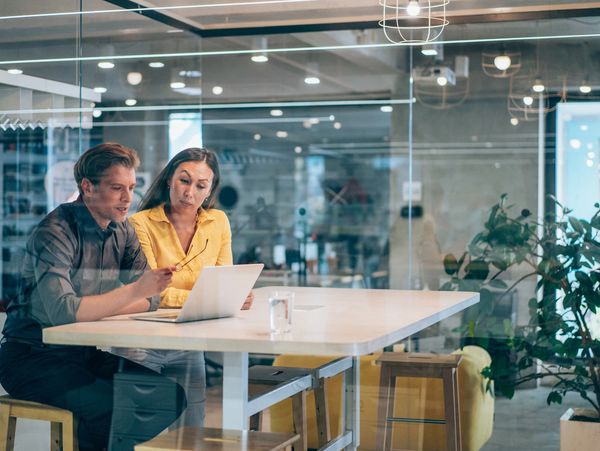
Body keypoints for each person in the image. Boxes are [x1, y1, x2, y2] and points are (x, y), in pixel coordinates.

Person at [0, 143, 186, 451]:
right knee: (113, 411)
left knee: (170, 397)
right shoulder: (55, 232)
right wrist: (133, 292)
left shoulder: (122, 230)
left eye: (131, 187)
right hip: (31, 359)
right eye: (117, 188)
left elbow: (153, 297)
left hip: (81, 354)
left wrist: (103, 304)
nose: (128, 198)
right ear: (87, 187)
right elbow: (64, 311)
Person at [113, 147, 252, 428]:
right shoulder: (140, 223)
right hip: (142, 340)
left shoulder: (218, 222)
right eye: (184, 181)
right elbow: (150, 292)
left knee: (192, 428)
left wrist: (234, 296)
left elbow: (224, 283)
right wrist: (214, 299)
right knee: (139, 427)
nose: (190, 193)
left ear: (210, 189)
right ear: (169, 180)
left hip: (189, 338)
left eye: (201, 185)